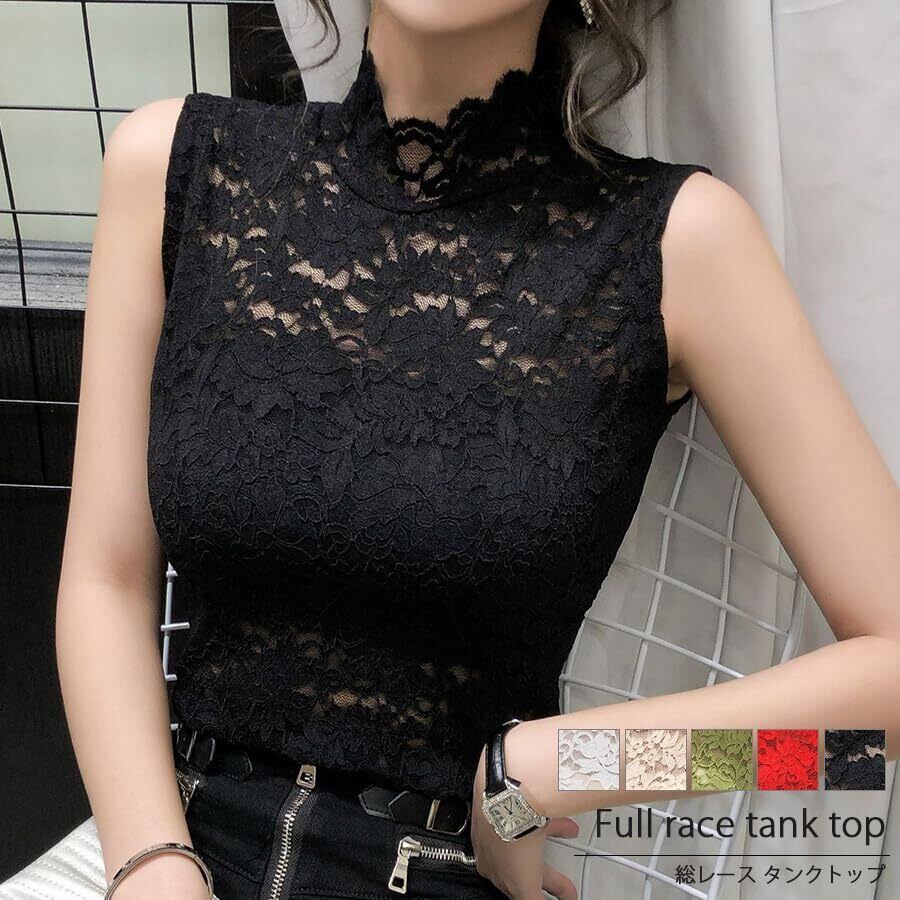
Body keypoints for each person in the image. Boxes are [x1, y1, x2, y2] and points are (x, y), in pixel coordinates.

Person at [55, 0, 900, 898]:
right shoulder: (176, 165)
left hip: (440, 868)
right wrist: (150, 862)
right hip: (171, 842)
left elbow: (881, 702)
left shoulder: (680, 240)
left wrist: (565, 768)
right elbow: (105, 579)